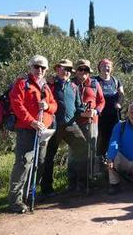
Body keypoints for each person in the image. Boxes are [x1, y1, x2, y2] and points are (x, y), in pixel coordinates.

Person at [8, 55, 57, 213]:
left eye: (43, 68)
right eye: (37, 66)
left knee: (39, 163)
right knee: (23, 164)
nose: (40, 70)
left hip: (43, 131)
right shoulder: (22, 83)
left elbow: (54, 105)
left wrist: (47, 106)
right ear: (31, 67)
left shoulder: (46, 86)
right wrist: (31, 121)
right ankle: (15, 201)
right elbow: (17, 104)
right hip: (27, 130)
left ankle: (29, 195)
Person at [41, 59, 87, 196]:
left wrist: (86, 112)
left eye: (68, 70)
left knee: (83, 148)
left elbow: (78, 107)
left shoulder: (73, 87)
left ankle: (81, 185)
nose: (66, 72)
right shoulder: (49, 85)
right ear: (57, 69)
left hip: (70, 125)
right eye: (63, 68)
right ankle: (47, 189)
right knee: (48, 157)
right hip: (53, 126)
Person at [73, 59, 106, 180]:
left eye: (85, 69)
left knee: (91, 149)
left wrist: (96, 111)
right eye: (80, 69)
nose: (83, 72)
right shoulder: (71, 84)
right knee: (75, 152)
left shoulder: (95, 84)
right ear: (76, 71)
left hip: (92, 122)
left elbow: (102, 101)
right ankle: (75, 180)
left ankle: (91, 177)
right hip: (74, 123)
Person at [94, 59, 124, 158]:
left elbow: (121, 94)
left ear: (111, 68)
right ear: (99, 68)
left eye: (108, 66)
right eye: (104, 66)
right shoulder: (94, 80)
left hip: (113, 115)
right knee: (100, 139)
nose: (106, 68)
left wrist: (119, 103)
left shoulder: (116, 81)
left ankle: (111, 159)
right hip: (99, 116)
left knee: (113, 137)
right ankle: (99, 161)